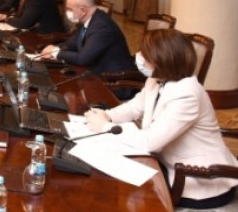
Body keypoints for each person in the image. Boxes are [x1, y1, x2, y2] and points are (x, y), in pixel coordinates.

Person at [84, 29, 238, 209]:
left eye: (144, 54)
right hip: (166, 161)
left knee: (122, 189)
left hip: (197, 178)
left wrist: (105, 127)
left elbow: (150, 142)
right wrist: (108, 115)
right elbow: (135, 107)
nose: (139, 56)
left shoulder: (187, 94)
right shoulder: (157, 78)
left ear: (162, 59)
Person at [38, 0, 135, 78]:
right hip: (94, 71)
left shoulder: (102, 26)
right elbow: (72, 43)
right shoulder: (87, 20)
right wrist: (55, 49)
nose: (67, 13)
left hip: (113, 79)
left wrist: (55, 53)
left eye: (70, 9)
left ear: (83, 10)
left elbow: (83, 59)